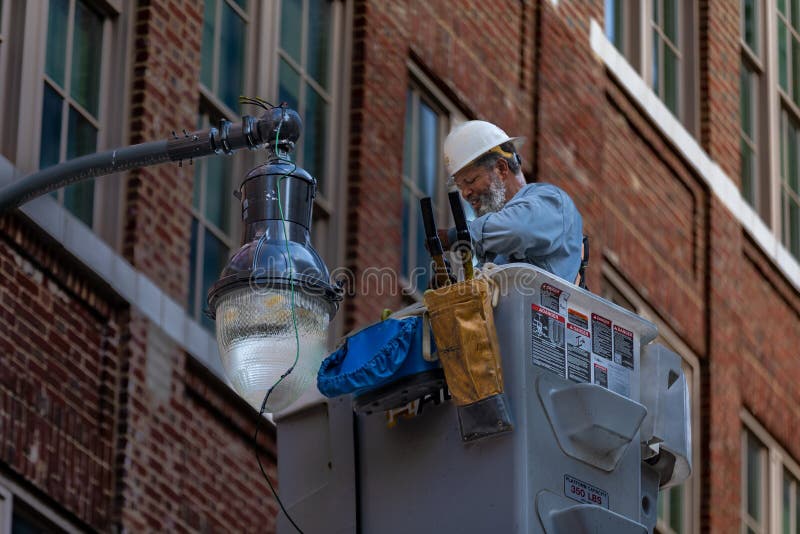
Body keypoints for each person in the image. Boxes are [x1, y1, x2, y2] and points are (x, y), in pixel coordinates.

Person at [440, 120, 583, 284]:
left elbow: (520, 228)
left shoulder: (552, 201)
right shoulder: (496, 249)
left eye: (471, 180)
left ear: (501, 169)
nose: (465, 193)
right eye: (460, 186)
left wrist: (461, 235)